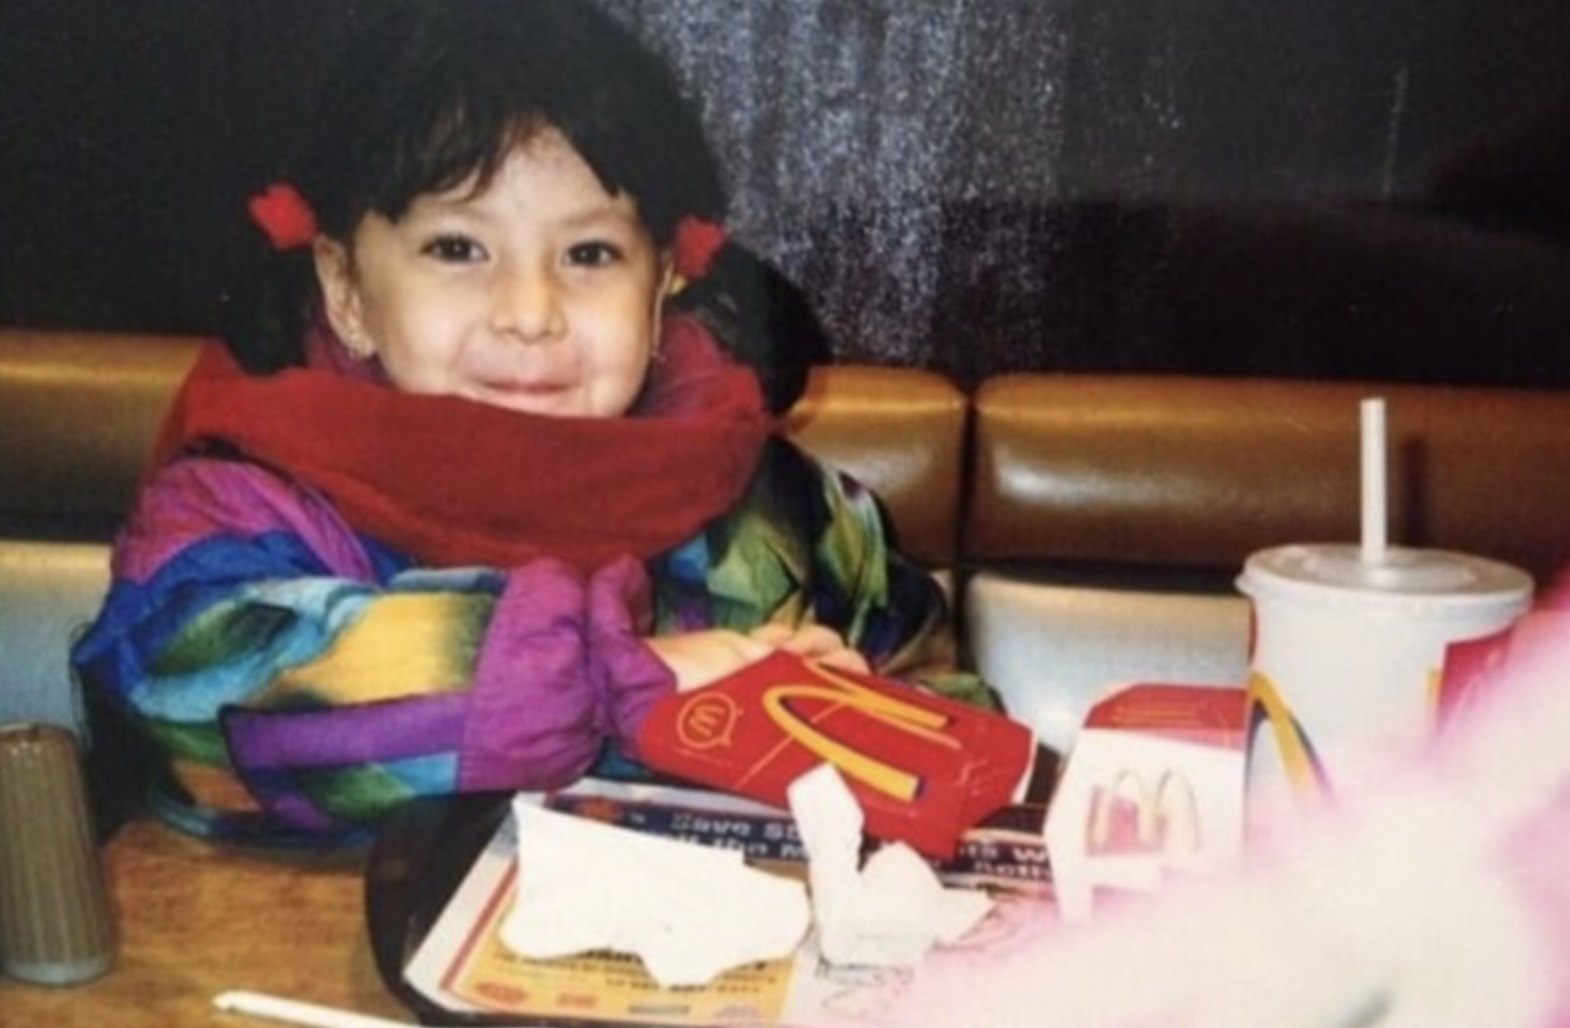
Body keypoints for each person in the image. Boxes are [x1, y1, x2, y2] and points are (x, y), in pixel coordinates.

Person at [71, 0, 981, 846]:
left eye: (589, 253)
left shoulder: (782, 510)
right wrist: (624, 681)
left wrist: (867, 724)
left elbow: (957, 720)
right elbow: (199, 703)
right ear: (346, 288)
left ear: (664, 283)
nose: (530, 311)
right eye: (458, 249)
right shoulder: (235, 504)